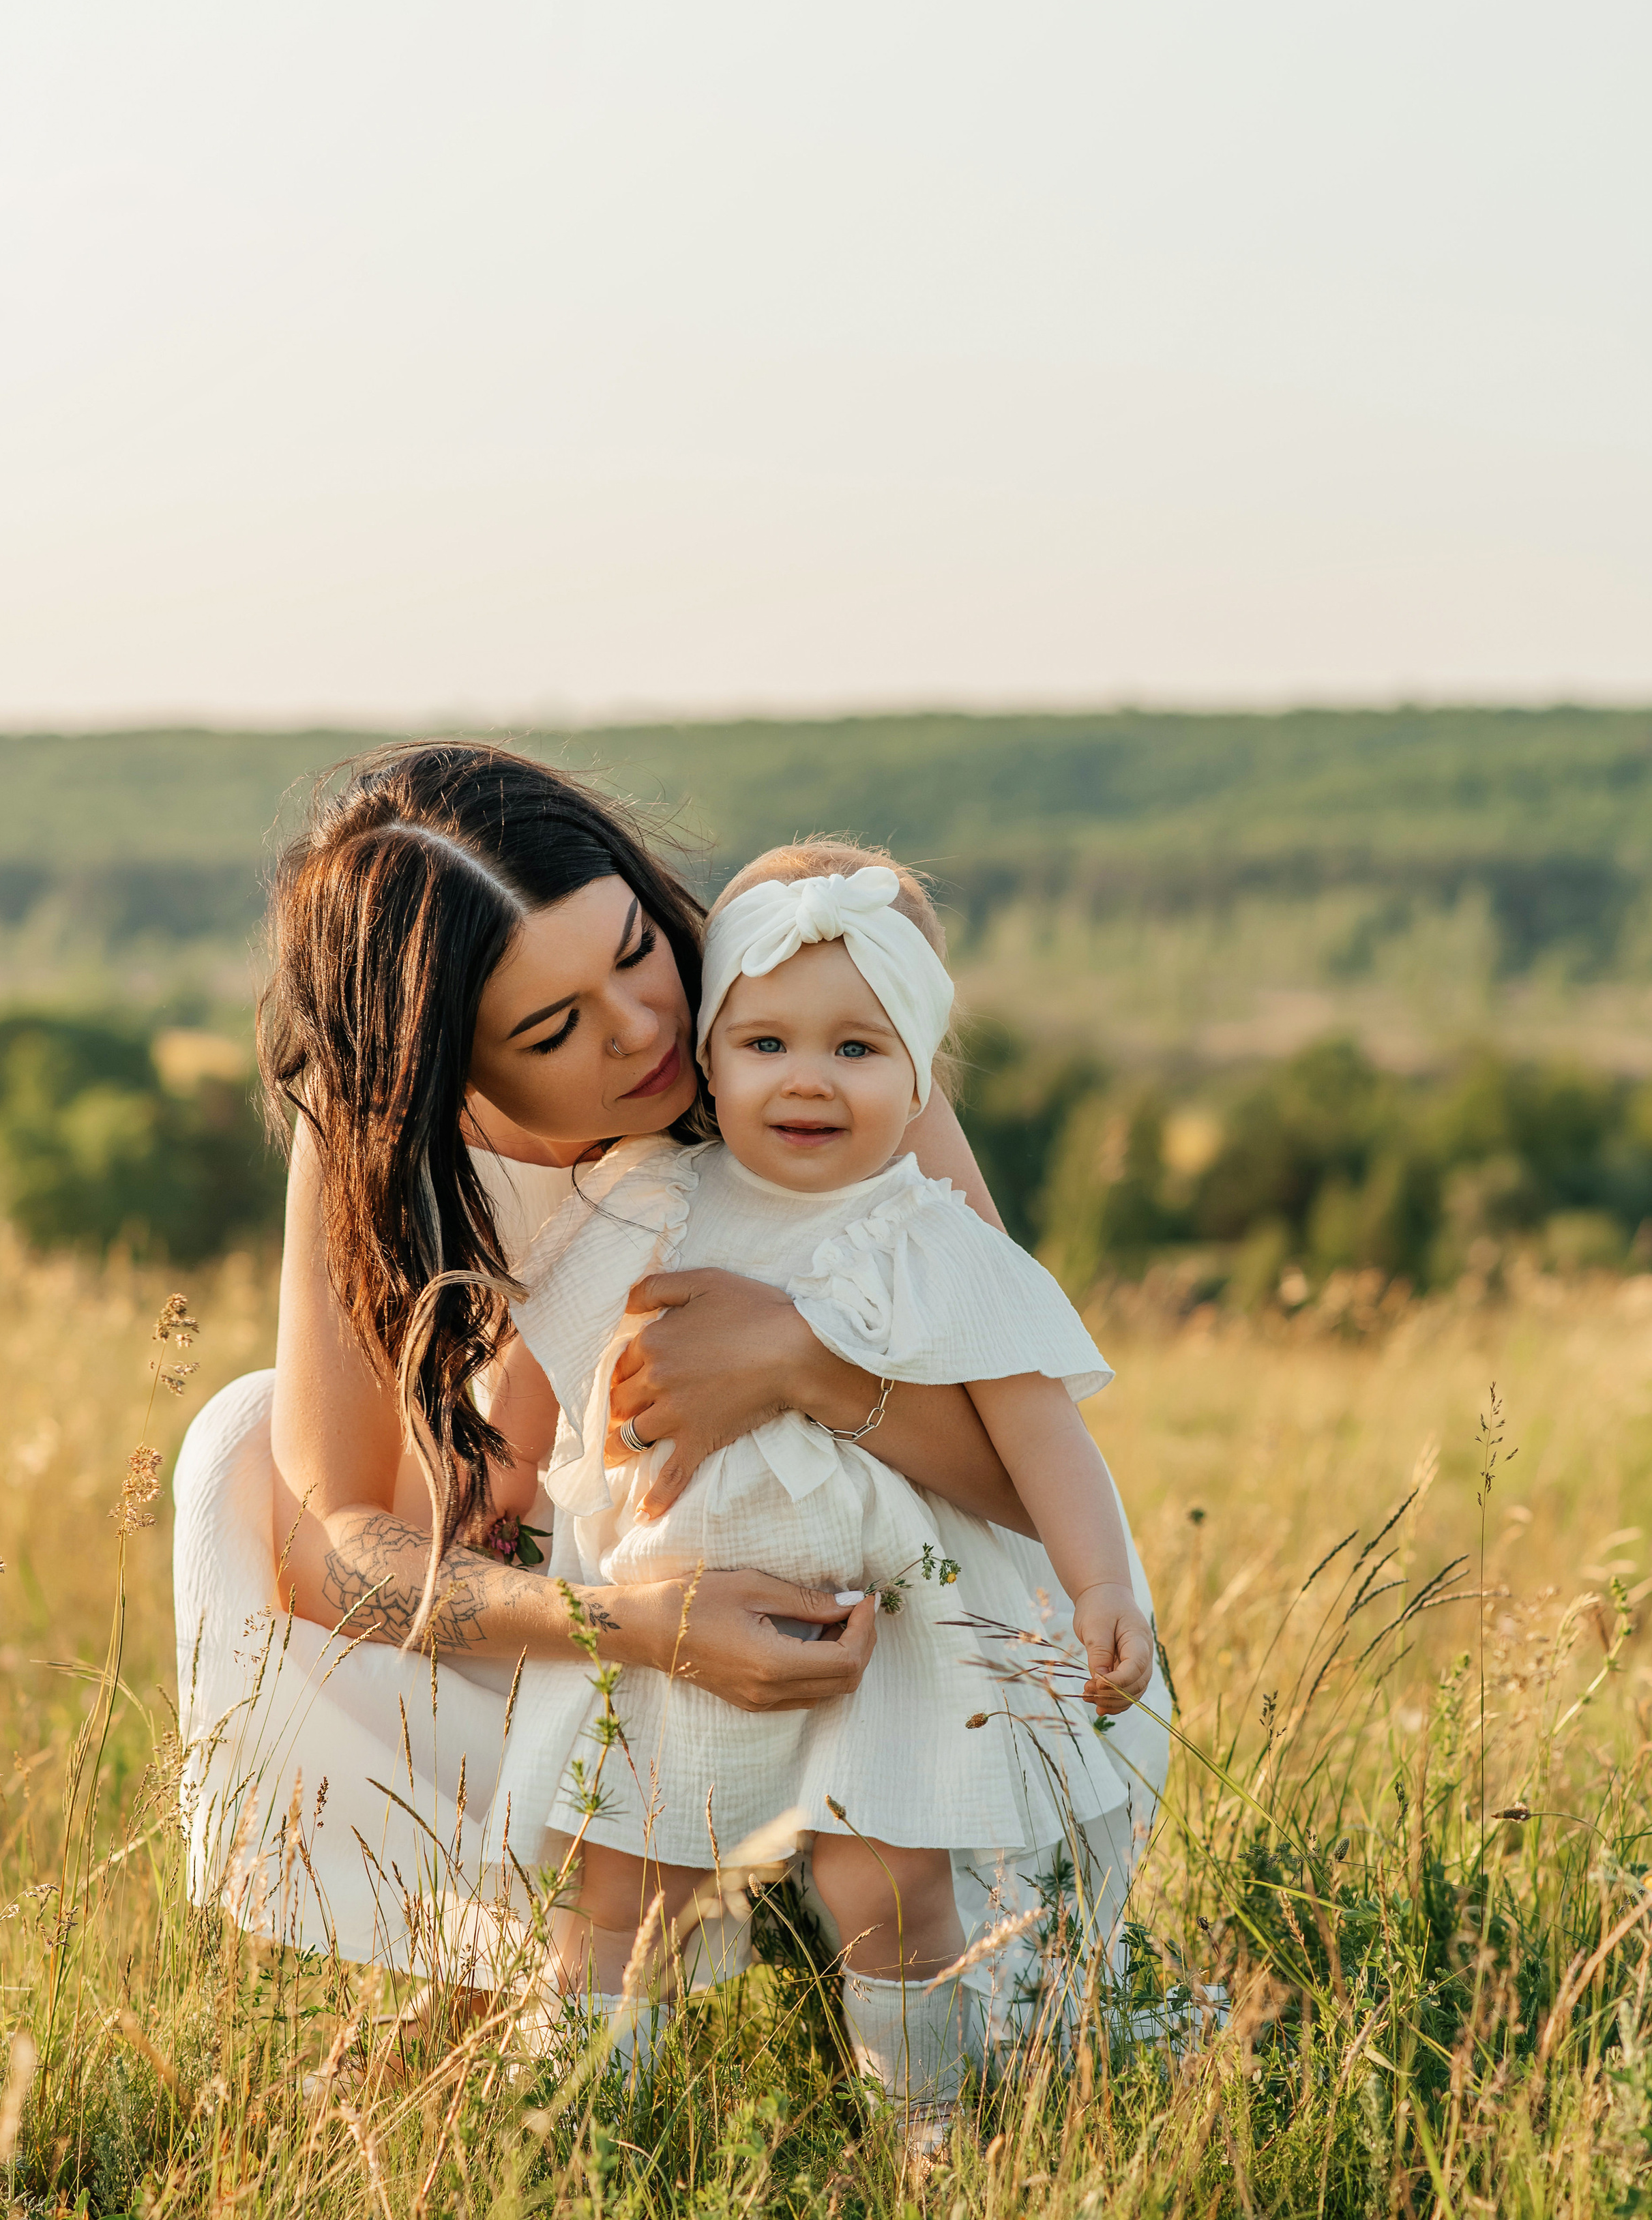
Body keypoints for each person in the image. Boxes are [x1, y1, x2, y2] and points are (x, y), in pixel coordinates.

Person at [173, 744, 1054, 1977]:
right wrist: (633, 1625)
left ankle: (842, 1921)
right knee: (238, 1453)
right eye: (553, 1027)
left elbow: (1033, 1477)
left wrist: (803, 1366)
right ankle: (490, 1949)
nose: (648, 1028)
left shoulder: (796, 1020)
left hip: (905, 1641)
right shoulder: (371, 1126)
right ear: (441, 1069)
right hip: (642, 1610)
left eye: (637, 950)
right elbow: (332, 1555)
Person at [472, 845, 1168, 2110]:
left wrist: (1102, 1583)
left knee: (887, 1886)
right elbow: (545, 1358)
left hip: (882, 1632)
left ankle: (929, 2125)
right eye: (767, 1043)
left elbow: (1041, 1431)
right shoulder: (649, 1203)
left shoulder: (935, 1238)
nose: (809, 1079)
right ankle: (574, 2130)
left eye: (859, 1048)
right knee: (619, 1880)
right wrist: (501, 1485)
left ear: (920, 1080)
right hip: (674, 1613)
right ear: (713, 1056)